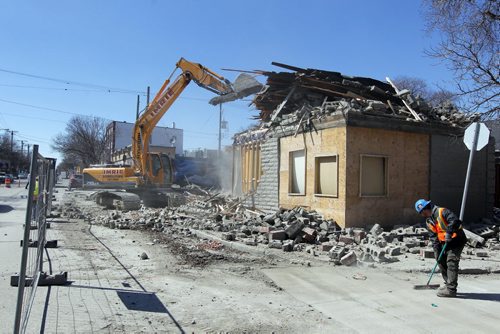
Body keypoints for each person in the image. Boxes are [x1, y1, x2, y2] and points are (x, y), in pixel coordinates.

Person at [415, 199, 467, 297]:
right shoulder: (429, 221)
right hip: (444, 242)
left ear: (425, 209)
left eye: (421, 212)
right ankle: (448, 284)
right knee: (440, 260)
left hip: (457, 240)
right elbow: (433, 237)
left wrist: (448, 232)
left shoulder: (442, 211)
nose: (422, 215)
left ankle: (451, 289)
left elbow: (455, 220)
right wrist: (436, 251)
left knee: (451, 262)